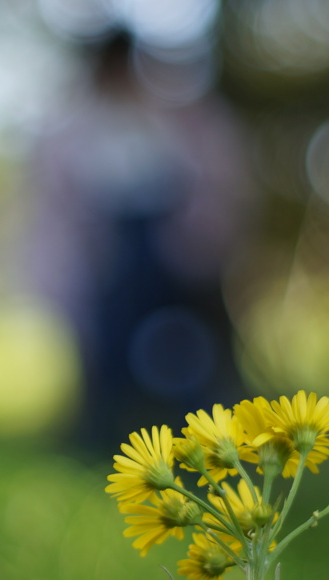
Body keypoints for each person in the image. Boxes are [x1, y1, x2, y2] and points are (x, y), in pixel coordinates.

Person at [26, 28, 257, 453]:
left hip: (170, 244)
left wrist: (204, 239)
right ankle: (105, 436)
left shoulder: (175, 110)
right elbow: (56, 203)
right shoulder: (73, 123)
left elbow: (214, 179)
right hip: (108, 249)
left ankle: (206, 437)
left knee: (185, 340)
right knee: (109, 345)